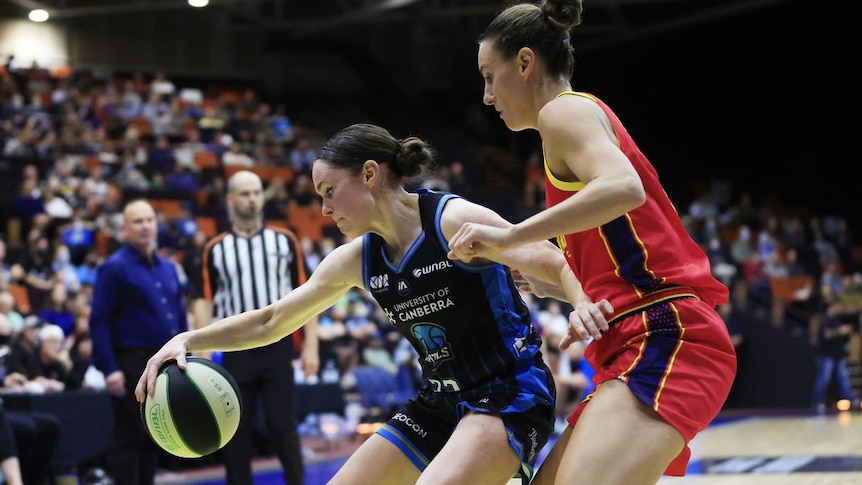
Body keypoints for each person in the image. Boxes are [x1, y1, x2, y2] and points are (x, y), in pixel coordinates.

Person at [137, 123, 611, 485]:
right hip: (440, 400)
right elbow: (274, 320)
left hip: (510, 393)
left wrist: (580, 302)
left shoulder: (452, 220)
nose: (324, 209)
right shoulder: (356, 260)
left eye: (329, 192)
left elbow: (551, 259)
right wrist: (187, 338)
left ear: (369, 174)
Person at [446, 1, 738, 484]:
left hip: (666, 334)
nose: (486, 95)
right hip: (635, 334)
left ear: (525, 63)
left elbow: (624, 188)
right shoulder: (568, 125)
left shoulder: (564, 112)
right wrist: (562, 289)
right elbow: (624, 264)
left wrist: (511, 234)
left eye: (489, 76)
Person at [196, 170, 320, 485]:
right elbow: (204, 303)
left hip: (277, 346)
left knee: (283, 426)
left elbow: (307, 295)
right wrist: (203, 353)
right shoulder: (215, 249)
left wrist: (310, 346)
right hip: (235, 350)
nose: (252, 199)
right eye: (245, 193)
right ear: (230, 200)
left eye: (256, 192)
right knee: (234, 431)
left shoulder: (285, 240)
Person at [90, 199, 188, 485]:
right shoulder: (114, 268)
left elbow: (179, 316)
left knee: (155, 436)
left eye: (149, 220)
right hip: (131, 362)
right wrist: (109, 368)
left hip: (166, 362)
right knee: (130, 438)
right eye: (137, 221)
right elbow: (99, 320)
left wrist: (187, 354)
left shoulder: (169, 267)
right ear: (124, 229)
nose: (145, 226)